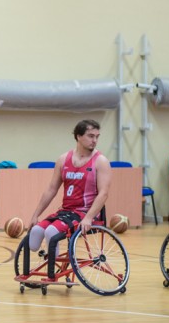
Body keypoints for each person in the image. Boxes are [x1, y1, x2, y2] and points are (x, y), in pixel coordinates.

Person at [26, 119, 111, 280]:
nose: (94, 140)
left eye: (97, 136)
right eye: (90, 136)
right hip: (66, 212)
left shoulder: (101, 161)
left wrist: (89, 217)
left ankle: (53, 267)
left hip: (86, 212)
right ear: (78, 136)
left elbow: (104, 194)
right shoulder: (63, 159)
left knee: (51, 232)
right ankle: (52, 259)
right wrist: (35, 214)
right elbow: (51, 189)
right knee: (36, 232)